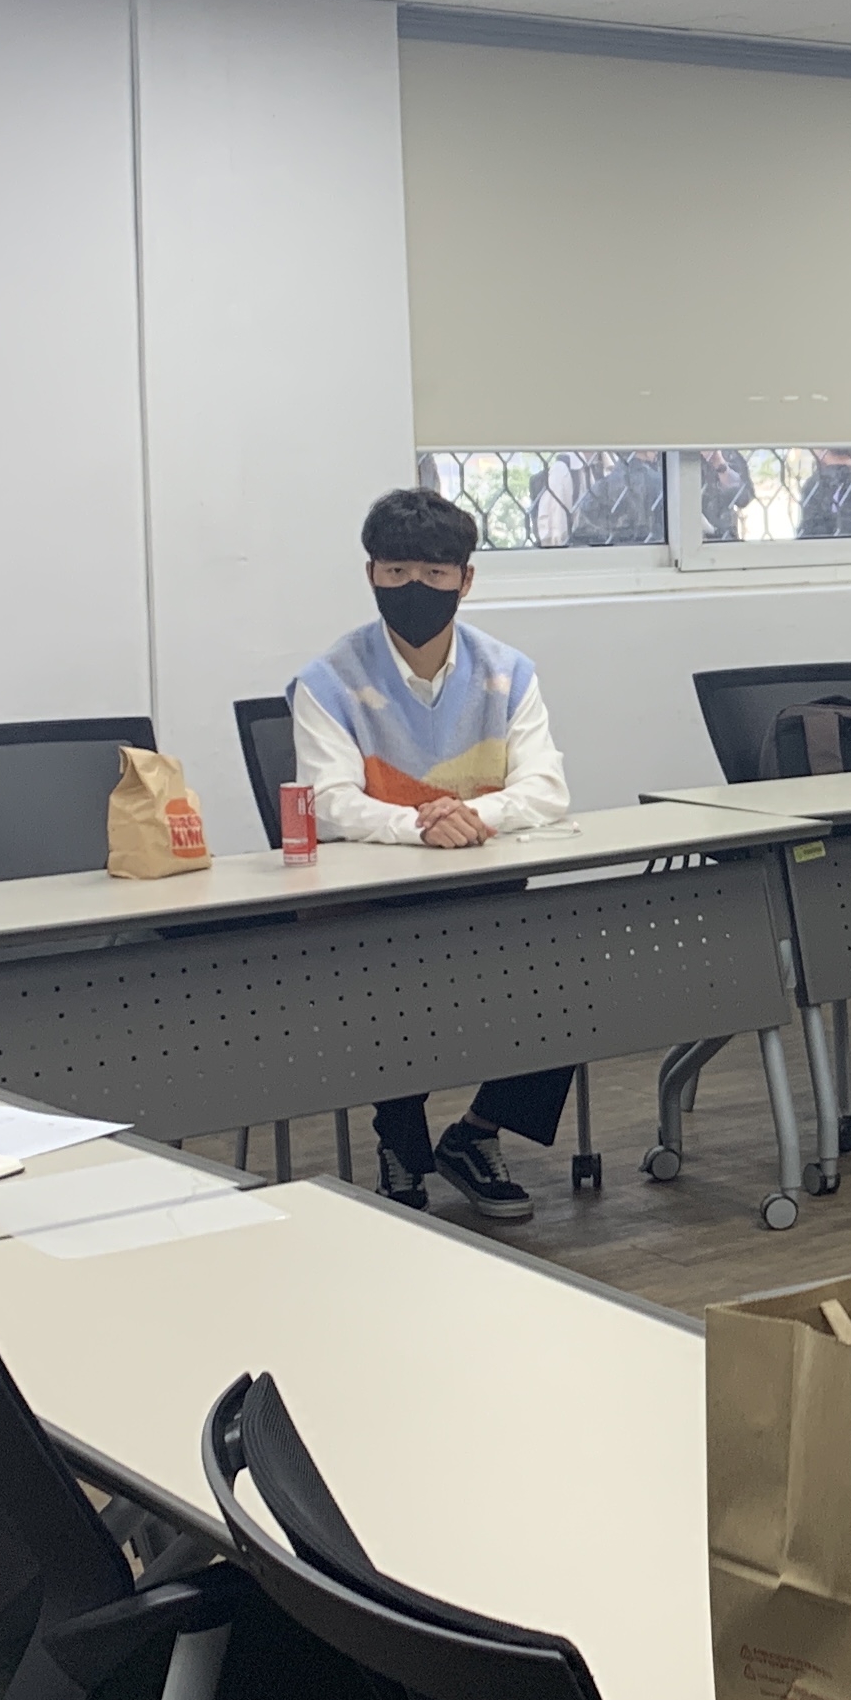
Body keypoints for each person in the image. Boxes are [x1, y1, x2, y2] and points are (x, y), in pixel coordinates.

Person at [288, 486, 577, 1223]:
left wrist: (470, 817)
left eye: (434, 573)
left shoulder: (508, 672)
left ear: (465, 580)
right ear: (371, 574)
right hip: (374, 899)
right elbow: (328, 800)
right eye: (395, 572)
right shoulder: (328, 680)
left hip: (483, 887)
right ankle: (401, 1144)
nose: (413, 587)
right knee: (393, 983)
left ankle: (476, 1135)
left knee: (570, 975)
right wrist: (421, 826)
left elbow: (546, 788)